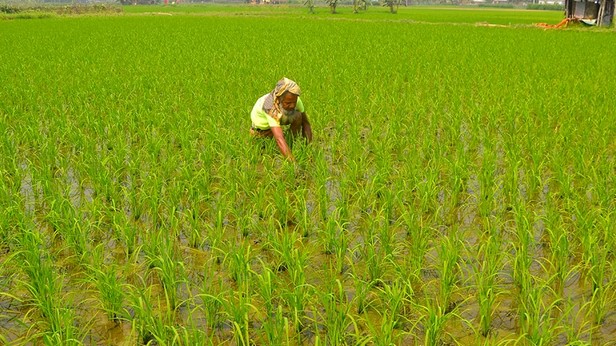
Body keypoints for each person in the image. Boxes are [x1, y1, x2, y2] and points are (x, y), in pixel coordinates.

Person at [250, 78, 313, 161]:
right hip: (262, 129)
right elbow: (279, 138)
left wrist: (307, 149)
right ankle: (287, 152)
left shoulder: (293, 98)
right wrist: (293, 164)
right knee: (268, 151)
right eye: (288, 103)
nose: (292, 105)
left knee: (298, 116)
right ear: (279, 99)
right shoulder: (269, 106)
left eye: (294, 102)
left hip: (279, 117)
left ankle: (290, 144)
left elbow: (306, 123)